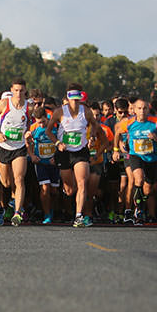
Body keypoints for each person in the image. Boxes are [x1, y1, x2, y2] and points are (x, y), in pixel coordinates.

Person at [46, 83, 101, 227]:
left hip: (81, 152)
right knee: (70, 190)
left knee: (82, 183)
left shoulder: (86, 112)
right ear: (68, 98)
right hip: (64, 153)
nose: (75, 102)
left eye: (78, 99)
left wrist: (92, 136)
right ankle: (72, 195)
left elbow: (94, 124)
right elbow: (48, 131)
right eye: (73, 99)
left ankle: (78, 216)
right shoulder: (59, 112)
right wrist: (58, 143)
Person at [0, 77, 31, 226]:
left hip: (19, 148)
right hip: (4, 147)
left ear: (25, 91)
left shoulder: (28, 106)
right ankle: (12, 200)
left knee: (19, 179)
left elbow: (30, 123)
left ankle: (18, 212)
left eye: (21, 90)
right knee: (6, 182)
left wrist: (28, 133)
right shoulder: (4, 104)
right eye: (16, 90)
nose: (19, 93)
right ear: (12, 90)